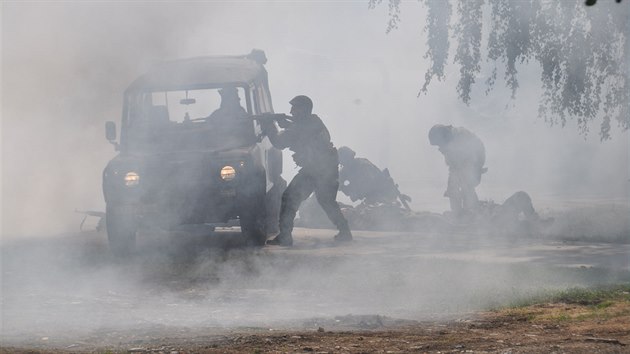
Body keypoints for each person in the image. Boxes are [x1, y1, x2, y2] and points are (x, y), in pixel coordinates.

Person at [261, 95, 352, 246]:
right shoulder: (313, 122)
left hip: (316, 170)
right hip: (325, 168)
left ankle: (284, 237)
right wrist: (283, 124)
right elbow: (298, 132)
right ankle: (345, 231)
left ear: (303, 110)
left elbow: (279, 142)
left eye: (295, 108)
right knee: (327, 201)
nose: (292, 111)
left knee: (289, 199)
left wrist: (269, 126)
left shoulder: (303, 126)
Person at [428, 124, 487, 217]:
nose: (439, 148)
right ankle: (457, 212)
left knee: (466, 185)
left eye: (439, 144)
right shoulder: (449, 144)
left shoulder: (460, 137)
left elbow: (469, 158)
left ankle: (472, 211)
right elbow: (452, 165)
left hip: (474, 160)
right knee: (453, 186)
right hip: (462, 163)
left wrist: (471, 171)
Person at [337, 146, 411, 209]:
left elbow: (369, 186)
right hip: (372, 197)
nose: (344, 164)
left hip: (382, 195)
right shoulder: (347, 169)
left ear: (349, 158)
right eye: (342, 163)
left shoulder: (363, 165)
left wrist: (350, 190)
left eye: (345, 161)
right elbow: (336, 181)